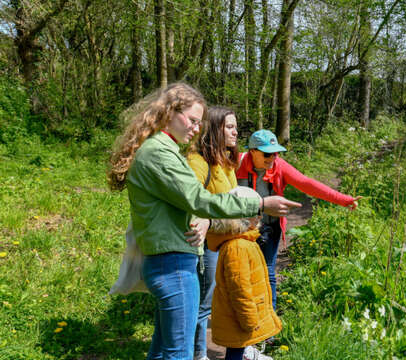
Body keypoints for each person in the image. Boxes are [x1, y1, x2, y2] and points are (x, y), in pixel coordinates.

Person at [107, 83, 300, 360]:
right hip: (173, 264)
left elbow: (187, 201)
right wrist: (259, 203)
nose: (197, 128)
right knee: (178, 354)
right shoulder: (160, 154)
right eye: (192, 120)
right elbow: (199, 199)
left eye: (200, 122)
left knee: (163, 350)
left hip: (169, 260)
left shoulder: (162, 149)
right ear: (169, 112)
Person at [236, 129, 362, 313]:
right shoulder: (235, 163)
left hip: (270, 227)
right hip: (242, 229)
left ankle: (268, 320)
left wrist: (343, 199)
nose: (272, 158)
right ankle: (244, 315)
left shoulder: (279, 166)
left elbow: (307, 184)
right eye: (267, 154)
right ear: (252, 152)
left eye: (275, 153)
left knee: (268, 272)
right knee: (242, 272)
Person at [186, 106, 241, 360]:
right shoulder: (197, 162)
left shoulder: (228, 162)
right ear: (215, 128)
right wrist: (207, 220)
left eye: (236, 127)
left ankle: (239, 350)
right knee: (204, 303)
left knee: (232, 300)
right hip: (208, 245)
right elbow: (191, 202)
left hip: (230, 242)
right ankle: (198, 353)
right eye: (229, 126)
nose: (235, 132)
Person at [208, 186, 281, 360]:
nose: (260, 217)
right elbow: (239, 288)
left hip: (238, 318)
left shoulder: (245, 240)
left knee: (237, 352)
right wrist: (249, 318)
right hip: (238, 318)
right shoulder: (238, 247)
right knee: (235, 353)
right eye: (256, 212)